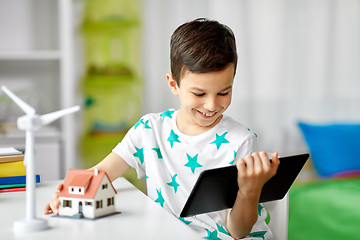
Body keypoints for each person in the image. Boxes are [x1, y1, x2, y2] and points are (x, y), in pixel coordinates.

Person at [45, 18, 280, 240]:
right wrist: (68, 194)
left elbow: (238, 231)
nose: (211, 105)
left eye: (224, 92)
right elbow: (101, 173)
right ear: (173, 84)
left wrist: (249, 191)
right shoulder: (150, 129)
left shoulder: (241, 141)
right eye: (199, 93)